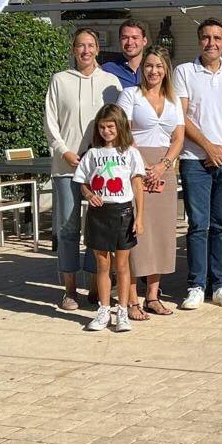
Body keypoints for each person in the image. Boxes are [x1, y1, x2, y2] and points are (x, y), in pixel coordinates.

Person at [173, 18, 222, 311]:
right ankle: (196, 284)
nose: (212, 43)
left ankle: (220, 284)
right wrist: (208, 147)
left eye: (217, 38)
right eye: (206, 37)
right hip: (194, 160)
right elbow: (181, 117)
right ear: (199, 40)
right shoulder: (184, 72)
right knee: (198, 225)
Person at [44, 27, 122, 311]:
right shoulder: (59, 80)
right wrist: (64, 150)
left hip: (100, 169)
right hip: (66, 166)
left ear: (98, 49)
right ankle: (69, 290)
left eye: (90, 45)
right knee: (67, 228)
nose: (85, 51)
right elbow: (50, 121)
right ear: (73, 49)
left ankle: (95, 286)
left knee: (96, 229)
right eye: (80, 46)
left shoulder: (111, 82)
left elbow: (117, 122)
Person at [116, 46, 184, 317]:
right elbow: (123, 132)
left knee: (160, 233)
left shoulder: (173, 99)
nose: (153, 71)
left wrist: (163, 165)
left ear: (166, 69)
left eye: (158, 66)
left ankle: (153, 296)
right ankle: (132, 299)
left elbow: (178, 137)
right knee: (136, 232)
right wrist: (143, 167)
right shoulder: (130, 95)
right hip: (135, 167)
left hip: (164, 169)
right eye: (148, 66)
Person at [74, 104, 145, 332]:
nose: (106, 131)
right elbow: (83, 182)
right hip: (98, 214)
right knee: (102, 264)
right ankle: (104, 310)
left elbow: (137, 185)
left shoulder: (131, 153)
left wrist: (139, 217)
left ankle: (122, 310)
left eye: (111, 126)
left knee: (122, 265)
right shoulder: (92, 154)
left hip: (123, 212)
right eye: (102, 127)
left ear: (120, 126)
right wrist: (89, 194)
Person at [104, 19, 149, 88]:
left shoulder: (153, 69)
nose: (129, 42)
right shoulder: (107, 70)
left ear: (144, 41)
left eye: (135, 38)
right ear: (119, 40)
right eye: (125, 38)